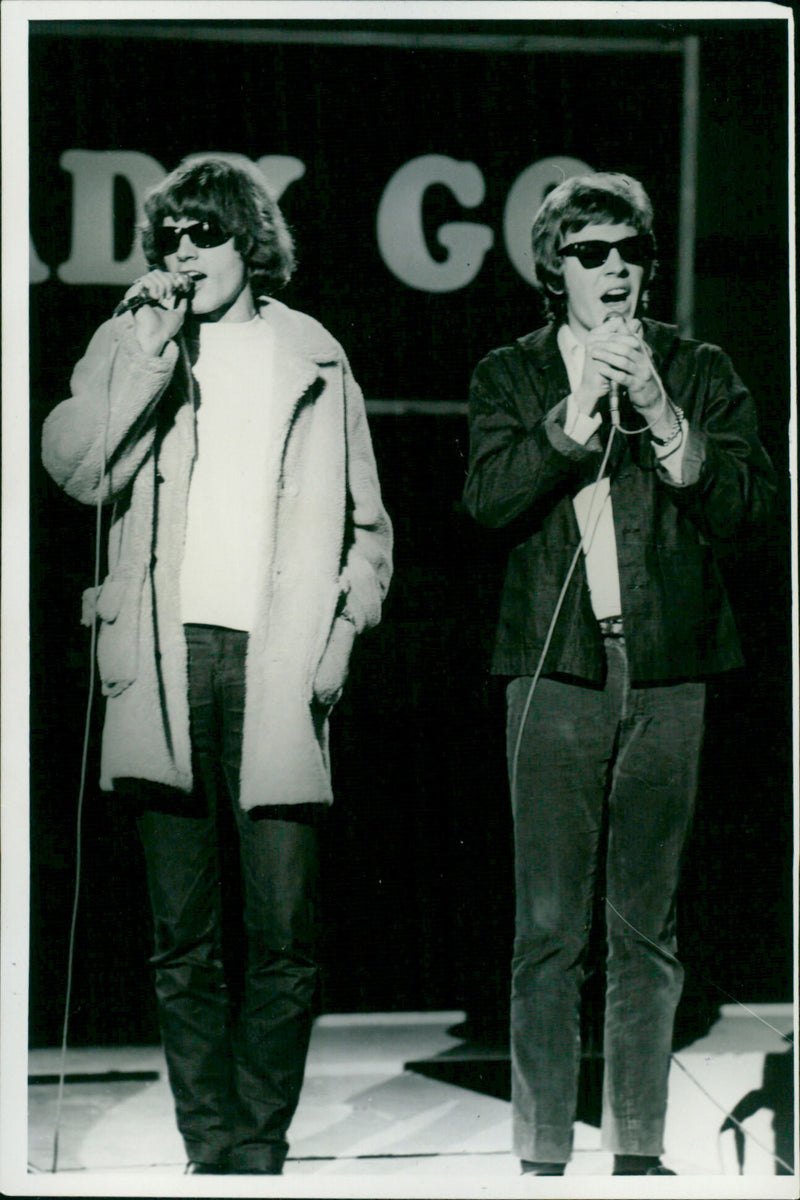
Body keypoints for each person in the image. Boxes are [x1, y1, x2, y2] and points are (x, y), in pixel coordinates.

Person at [42, 154, 393, 1175]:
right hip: (162, 660)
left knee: (284, 930)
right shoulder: (135, 341)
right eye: (171, 239)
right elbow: (73, 470)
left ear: (251, 243)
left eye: (207, 234)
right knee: (180, 934)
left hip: (277, 665)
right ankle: (212, 1142)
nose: (186, 255)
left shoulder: (313, 355)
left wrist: (337, 641)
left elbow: (369, 531)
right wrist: (143, 353)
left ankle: (259, 1138)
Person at [462, 172, 775, 1177]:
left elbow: (745, 507)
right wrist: (578, 408)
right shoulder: (507, 372)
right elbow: (487, 501)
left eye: (627, 254)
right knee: (547, 931)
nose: (613, 271)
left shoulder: (696, 364)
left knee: (646, 929)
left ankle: (637, 1150)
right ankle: (541, 1150)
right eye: (589, 253)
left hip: (668, 672)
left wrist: (655, 406)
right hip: (551, 675)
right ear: (552, 269)